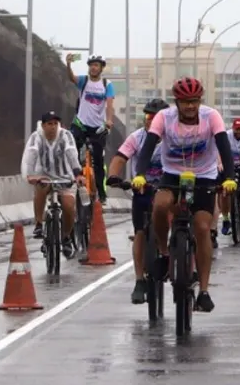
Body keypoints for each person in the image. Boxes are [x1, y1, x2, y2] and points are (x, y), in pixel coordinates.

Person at [130, 77, 236, 314]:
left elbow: (224, 147)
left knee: (201, 226)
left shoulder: (211, 117)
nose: (191, 106)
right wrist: (140, 174)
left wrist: (229, 177)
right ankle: (165, 254)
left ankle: (204, 291)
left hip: (204, 175)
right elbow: (148, 147)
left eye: (195, 101)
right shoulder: (164, 117)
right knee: (160, 206)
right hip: (173, 174)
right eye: (186, 102)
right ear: (176, 102)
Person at [107, 98, 168, 304]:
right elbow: (120, 157)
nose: (151, 121)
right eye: (148, 116)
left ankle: (178, 256)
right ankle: (139, 280)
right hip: (142, 190)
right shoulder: (137, 137)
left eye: (156, 117)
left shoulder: (173, 138)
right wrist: (114, 175)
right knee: (140, 232)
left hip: (168, 188)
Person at [21, 111, 84, 258]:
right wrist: (30, 175)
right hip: (44, 176)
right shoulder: (36, 137)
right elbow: (31, 154)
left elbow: (71, 153)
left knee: (69, 206)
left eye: (56, 123)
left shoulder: (66, 136)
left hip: (65, 176)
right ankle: (38, 224)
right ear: (43, 125)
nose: (53, 127)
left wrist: (78, 174)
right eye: (49, 124)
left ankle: (66, 237)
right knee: (40, 189)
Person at [66, 54, 115, 204]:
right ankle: (71, 179)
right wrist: (68, 65)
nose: (93, 68)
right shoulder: (84, 81)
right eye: (91, 65)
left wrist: (109, 121)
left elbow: (109, 105)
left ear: (101, 68)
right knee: (71, 150)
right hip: (80, 123)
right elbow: (72, 78)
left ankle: (101, 192)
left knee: (99, 160)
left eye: (96, 65)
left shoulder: (107, 84)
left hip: (98, 127)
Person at [220, 118, 240, 236]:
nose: (238, 132)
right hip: (229, 165)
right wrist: (220, 163)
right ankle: (226, 219)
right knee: (225, 192)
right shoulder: (226, 136)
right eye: (237, 129)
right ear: (233, 128)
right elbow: (220, 150)